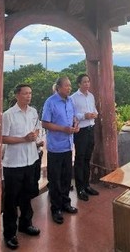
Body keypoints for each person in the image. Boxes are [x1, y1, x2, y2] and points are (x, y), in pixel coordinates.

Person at [2, 84, 41, 250]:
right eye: (25, 93)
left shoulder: (33, 112)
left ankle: (26, 224)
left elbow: (37, 129)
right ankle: (10, 234)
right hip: (13, 164)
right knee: (11, 200)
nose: (28, 96)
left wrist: (34, 136)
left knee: (27, 195)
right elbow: (3, 138)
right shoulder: (8, 115)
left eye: (30, 93)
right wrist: (23, 139)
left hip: (30, 160)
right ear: (17, 95)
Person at [42, 77, 79, 225]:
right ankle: (55, 209)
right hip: (55, 148)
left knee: (66, 178)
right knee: (55, 179)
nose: (69, 88)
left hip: (68, 146)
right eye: (66, 86)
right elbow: (45, 123)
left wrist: (75, 124)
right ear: (58, 87)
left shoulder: (70, 101)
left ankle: (65, 203)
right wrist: (63, 129)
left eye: (70, 86)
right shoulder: (50, 102)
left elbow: (74, 117)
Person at [70, 74, 99, 201]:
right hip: (80, 131)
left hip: (90, 129)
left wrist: (95, 114)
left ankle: (87, 185)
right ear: (79, 84)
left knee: (87, 158)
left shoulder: (91, 96)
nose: (87, 84)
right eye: (84, 82)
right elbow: (72, 114)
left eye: (88, 81)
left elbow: (95, 110)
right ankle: (80, 188)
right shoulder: (73, 98)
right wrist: (84, 116)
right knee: (80, 159)